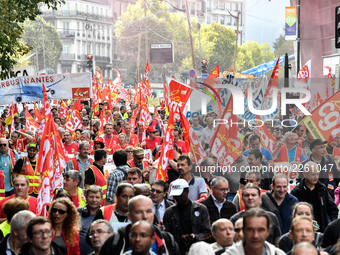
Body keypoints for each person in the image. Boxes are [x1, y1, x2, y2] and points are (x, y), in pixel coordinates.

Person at [99, 195, 179, 254]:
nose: (145, 216)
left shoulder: (167, 240)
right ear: (129, 216)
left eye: (148, 211)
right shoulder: (115, 241)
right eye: (139, 212)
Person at [163, 179, 211, 255]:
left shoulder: (201, 209)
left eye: (179, 194)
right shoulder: (169, 212)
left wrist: (195, 237)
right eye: (175, 195)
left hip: (197, 251)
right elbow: (166, 237)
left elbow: (207, 233)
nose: (177, 197)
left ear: (187, 191)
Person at [291, 161, 338, 232]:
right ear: (305, 174)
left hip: (322, 230)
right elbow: (291, 213)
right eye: (313, 174)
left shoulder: (322, 188)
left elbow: (332, 209)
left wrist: (332, 225)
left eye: (317, 174)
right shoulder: (297, 191)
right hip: (303, 230)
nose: (316, 177)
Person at [78, 185, 103, 255]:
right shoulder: (78, 212)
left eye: (97, 197)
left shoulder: (105, 213)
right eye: (91, 197)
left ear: (101, 199)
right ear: (86, 197)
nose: (94, 200)